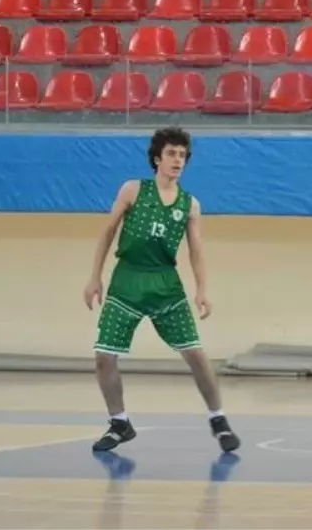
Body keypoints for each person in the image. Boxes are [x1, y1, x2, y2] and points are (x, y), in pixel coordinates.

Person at [84, 127, 239, 454]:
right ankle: (119, 423)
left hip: (165, 284)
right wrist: (94, 277)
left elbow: (196, 250)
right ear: (157, 158)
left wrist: (202, 290)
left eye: (182, 155)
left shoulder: (190, 205)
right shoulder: (133, 189)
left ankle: (219, 419)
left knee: (196, 354)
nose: (177, 160)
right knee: (103, 356)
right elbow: (107, 232)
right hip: (127, 280)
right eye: (171, 154)